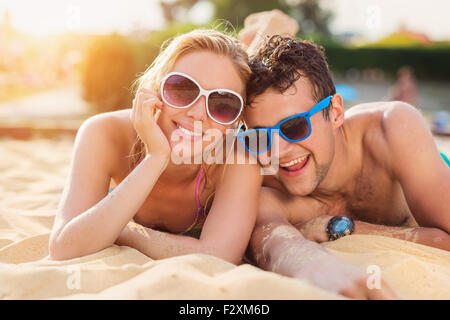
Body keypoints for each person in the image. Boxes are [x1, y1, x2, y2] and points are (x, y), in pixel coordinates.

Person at [238, 33, 450, 299]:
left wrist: (340, 227)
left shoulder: (392, 128)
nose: (277, 151)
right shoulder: (264, 184)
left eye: (294, 126)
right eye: (259, 136)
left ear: (336, 112)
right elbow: (274, 246)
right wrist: (311, 264)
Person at [48, 29, 263, 264]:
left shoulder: (239, 160)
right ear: (155, 87)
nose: (197, 114)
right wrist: (156, 157)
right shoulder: (104, 133)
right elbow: (64, 247)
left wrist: (118, 229)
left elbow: (219, 256)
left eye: (223, 103)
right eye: (182, 89)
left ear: (236, 122)